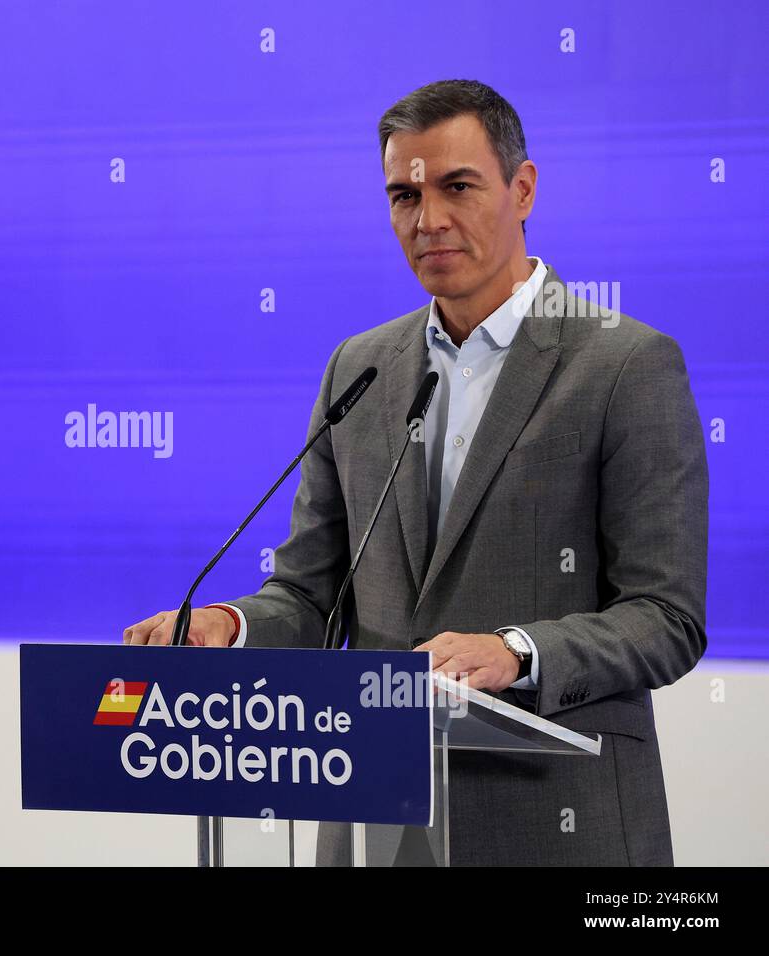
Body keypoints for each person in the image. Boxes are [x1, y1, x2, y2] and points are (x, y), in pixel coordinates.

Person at [123, 79, 708, 866]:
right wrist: (229, 628)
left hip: (554, 828)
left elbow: (665, 617)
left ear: (523, 188)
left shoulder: (625, 364)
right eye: (404, 194)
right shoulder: (359, 369)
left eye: (457, 187)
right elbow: (311, 594)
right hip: (374, 821)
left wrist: (516, 651)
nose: (426, 219)